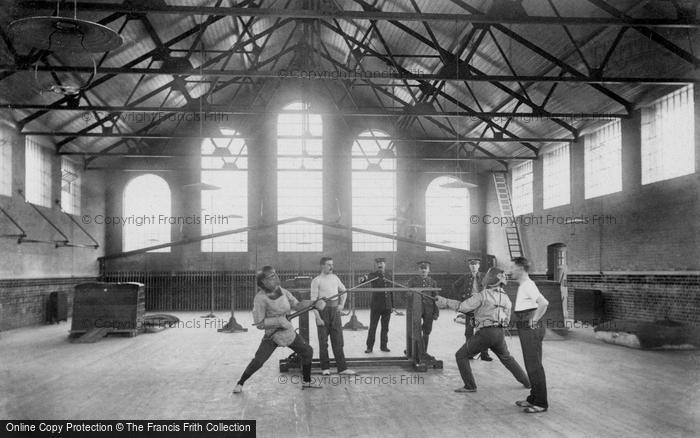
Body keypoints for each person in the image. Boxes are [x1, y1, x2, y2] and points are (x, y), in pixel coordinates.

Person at [436, 267, 530, 393]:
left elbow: (462, 307)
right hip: (499, 333)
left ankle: (470, 386)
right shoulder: (506, 298)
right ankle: (527, 382)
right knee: (507, 359)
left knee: (461, 355)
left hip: (485, 334)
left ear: (489, 279)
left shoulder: (483, 295)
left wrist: (444, 301)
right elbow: (506, 320)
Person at [233, 266, 325, 393]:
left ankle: (307, 382)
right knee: (259, 361)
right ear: (263, 282)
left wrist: (314, 303)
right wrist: (278, 321)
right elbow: (259, 323)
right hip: (273, 335)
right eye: (271, 276)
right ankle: (240, 383)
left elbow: (298, 305)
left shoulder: (282, 291)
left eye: (275, 274)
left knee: (307, 351)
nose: (276, 277)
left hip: (288, 333)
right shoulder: (260, 298)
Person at [511, 256, 549, 413]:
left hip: (530, 327)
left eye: (512, 267)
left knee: (534, 365)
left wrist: (534, 320)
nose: (510, 271)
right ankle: (533, 398)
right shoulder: (524, 285)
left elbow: (544, 303)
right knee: (531, 364)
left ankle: (540, 403)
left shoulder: (528, 285)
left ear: (520, 268)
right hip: (525, 325)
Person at [311, 257, 357, 376]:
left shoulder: (335, 278)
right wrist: (318, 317)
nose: (331, 267)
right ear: (322, 266)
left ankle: (342, 368)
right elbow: (313, 302)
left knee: (338, 341)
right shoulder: (316, 280)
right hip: (322, 313)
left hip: (335, 313)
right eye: (328, 264)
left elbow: (344, 291)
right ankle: (325, 368)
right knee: (323, 342)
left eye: (332, 264)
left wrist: (341, 304)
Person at [452, 258, 492, 361]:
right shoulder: (465, 277)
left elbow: (491, 287)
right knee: (469, 330)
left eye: (475, 265)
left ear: (479, 266)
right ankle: (469, 353)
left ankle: (484, 354)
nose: (473, 266)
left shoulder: (484, 276)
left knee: (483, 329)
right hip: (470, 306)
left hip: (481, 306)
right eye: (471, 265)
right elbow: (455, 286)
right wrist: (462, 298)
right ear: (469, 266)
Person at [407, 261, 439, 360]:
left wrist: (436, 311)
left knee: (426, 331)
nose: (424, 270)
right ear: (418, 270)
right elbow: (405, 295)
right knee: (415, 329)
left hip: (429, 310)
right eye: (422, 268)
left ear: (429, 270)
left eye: (426, 268)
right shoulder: (412, 281)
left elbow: (436, 298)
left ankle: (423, 352)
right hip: (416, 309)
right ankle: (413, 350)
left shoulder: (432, 282)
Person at [360, 257, 393, 353]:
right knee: (373, 327)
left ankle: (384, 346)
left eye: (382, 263)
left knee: (385, 327)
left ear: (385, 264)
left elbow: (391, 291)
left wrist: (392, 305)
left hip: (387, 306)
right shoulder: (373, 275)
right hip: (376, 306)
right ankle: (369, 347)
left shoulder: (388, 275)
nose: (380, 264)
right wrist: (363, 279)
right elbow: (366, 278)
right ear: (376, 265)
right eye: (378, 263)